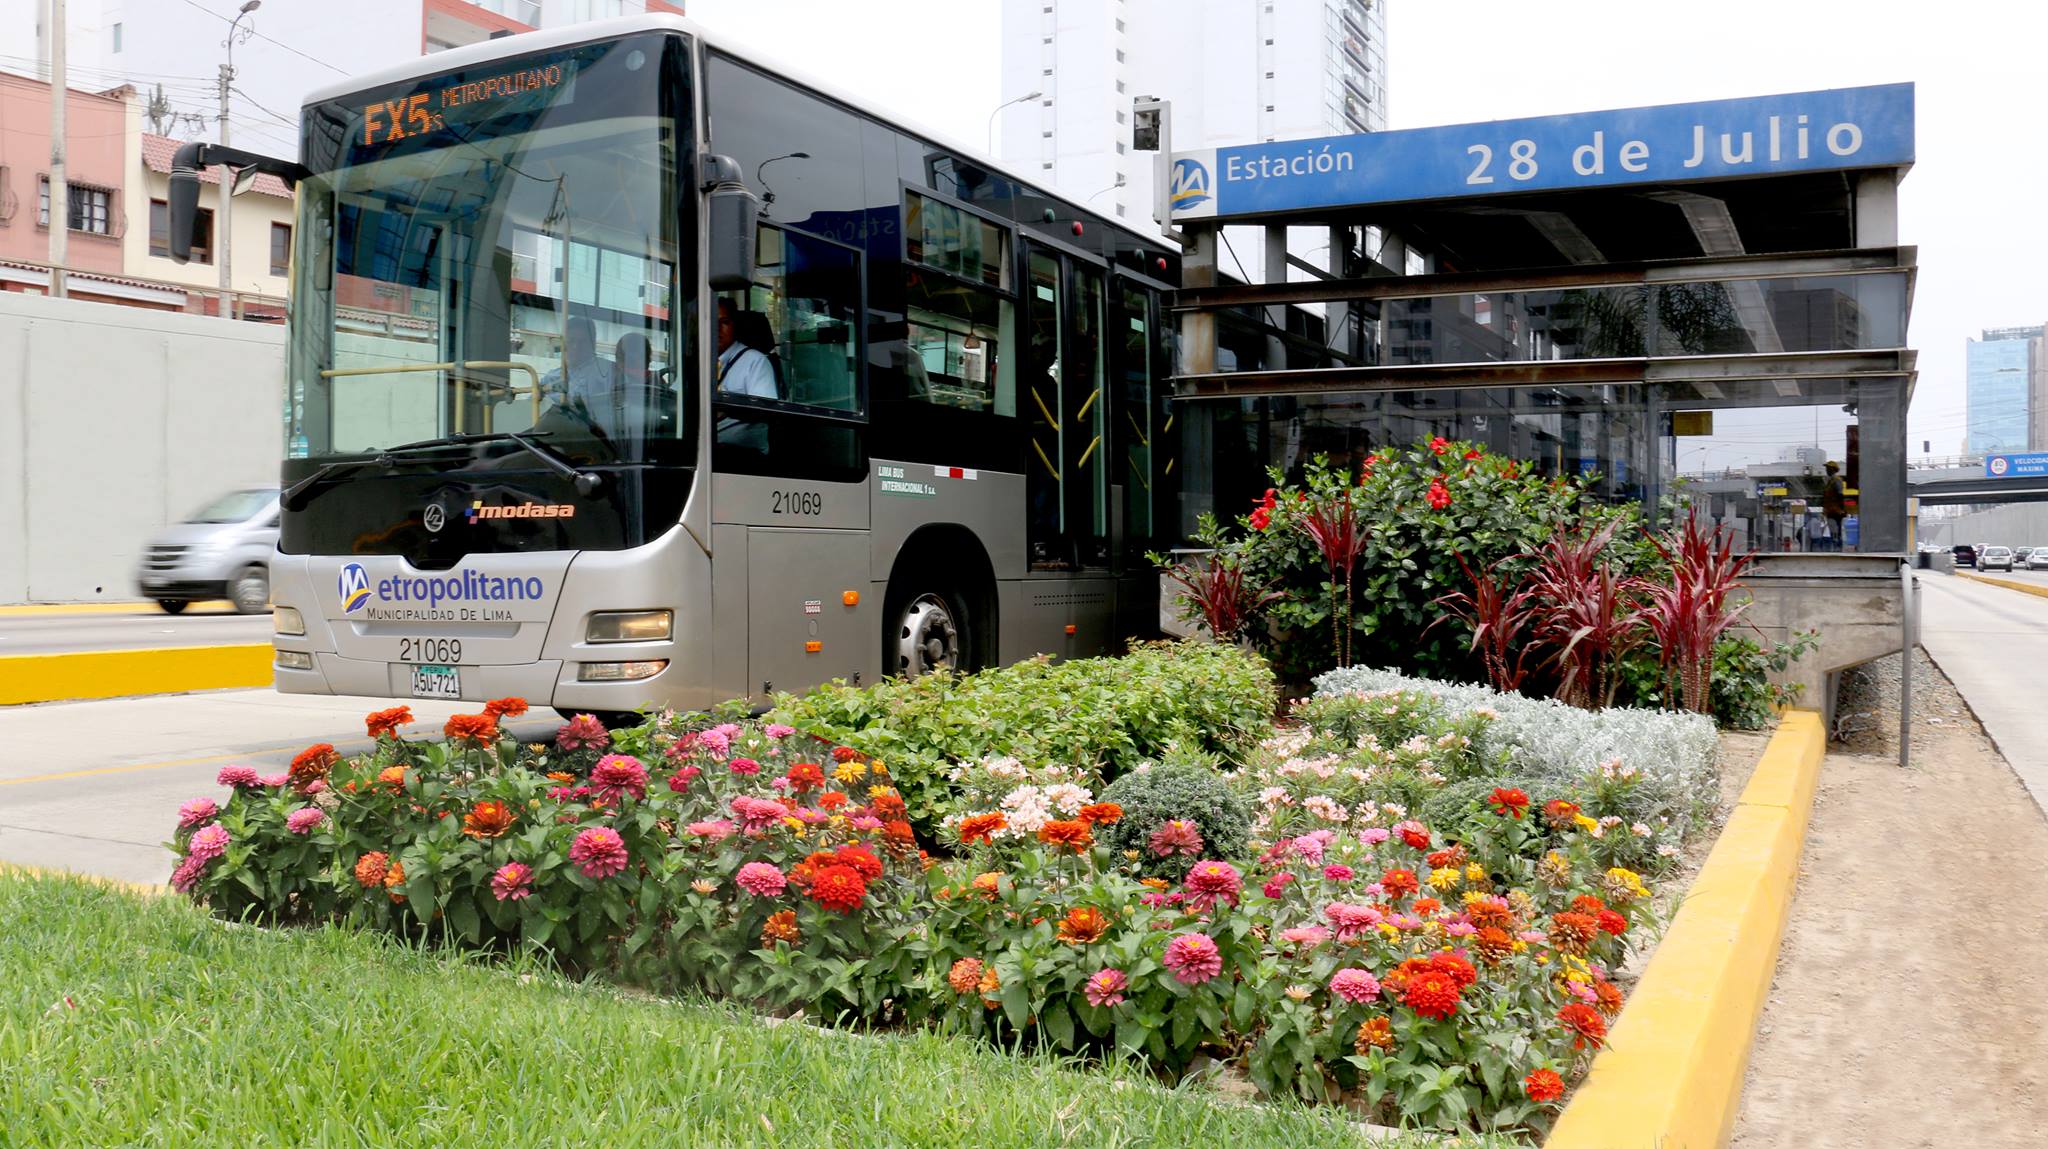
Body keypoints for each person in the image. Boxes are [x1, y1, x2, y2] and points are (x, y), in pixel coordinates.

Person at [539, 316, 614, 413]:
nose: (576, 347)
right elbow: (530, 407)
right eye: (571, 341)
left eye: (582, 342)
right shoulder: (551, 377)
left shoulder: (608, 372)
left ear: (593, 344)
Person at [1821, 460, 1849, 551]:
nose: (1826, 470)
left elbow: (1840, 494)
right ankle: (1837, 549)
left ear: (1833, 469)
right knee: (1834, 531)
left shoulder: (1836, 480)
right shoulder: (1830, 481)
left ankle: (1838, 549)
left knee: (1835, 531)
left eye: (1828, 468)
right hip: (1831, 510)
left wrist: (1842, 508)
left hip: (1835, 511)